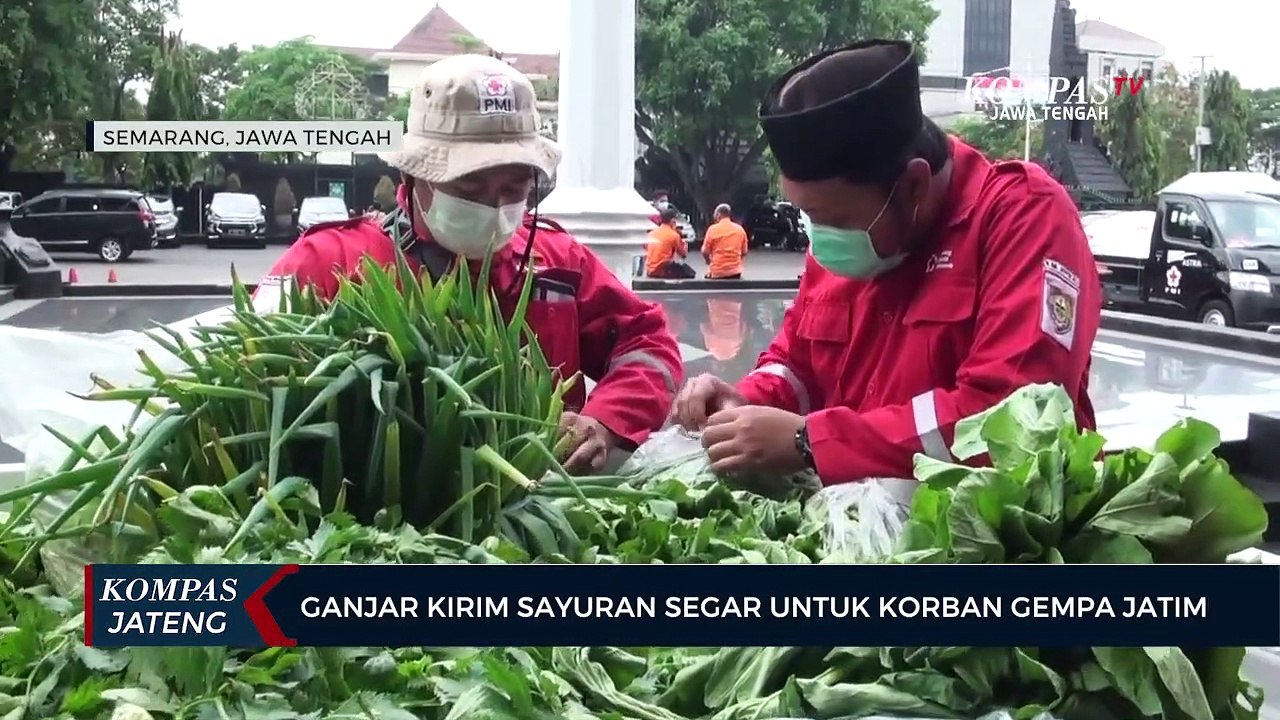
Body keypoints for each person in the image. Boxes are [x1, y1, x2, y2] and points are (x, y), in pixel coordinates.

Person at [671, 40, 1101, 492]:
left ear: (914, 185)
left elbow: (1013, 419)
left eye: (833, 219)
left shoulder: (1022, 217)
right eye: (809, 218)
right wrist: (745, 404)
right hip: (851, 524)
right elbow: (796, 363)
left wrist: (811, 442)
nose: (821, 240)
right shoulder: (849, 234)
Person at [253, 54, 683, 475]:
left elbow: (648, 344)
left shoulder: (556, 263)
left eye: (514, 187)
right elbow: (249, 374)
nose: (494, 208)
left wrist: (605, 423)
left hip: (539, 515)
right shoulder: (330, 262)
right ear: (413, 177)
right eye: (469, 187)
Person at [701, 203, 749, 279]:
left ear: (718, 215)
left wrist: (708, 261)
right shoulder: (740, 230)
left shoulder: (712, 229)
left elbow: (704, 251)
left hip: (717, 272)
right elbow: (744, 252)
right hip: (735, 272)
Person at [645, 207, 695, 278]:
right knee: (689, 272)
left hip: (650, 270)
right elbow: (683, 254)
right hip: (663, 270)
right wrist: (683, 241)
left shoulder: (651, 234)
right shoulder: (674, 235)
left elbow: (646, 247)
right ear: (672, 220)